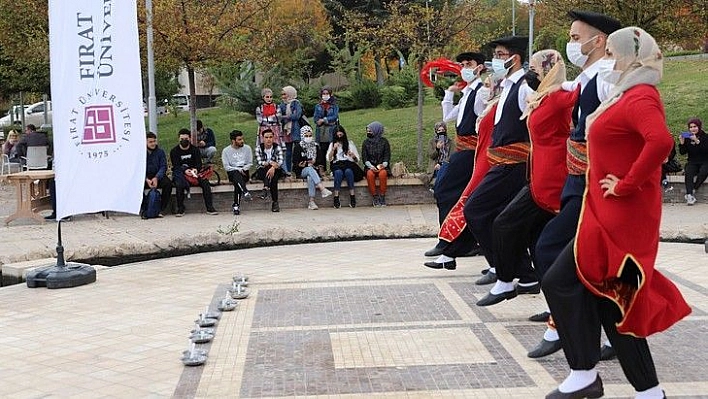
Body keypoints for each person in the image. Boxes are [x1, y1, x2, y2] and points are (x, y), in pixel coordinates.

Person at [541, 27, 691, 399]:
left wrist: (626, 183)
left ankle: (587, 373)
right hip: (602, 212)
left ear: (630, 56)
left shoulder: (640, 95)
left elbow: (661, 141)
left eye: (611, 52)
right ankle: (640, 389)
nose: (607, 58)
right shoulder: (625, 92)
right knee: (610, 297)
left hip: (621, 217)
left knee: (574, 283)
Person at [530, 10, 622, 360]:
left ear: (598, 41)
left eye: (574, 37)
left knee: (554, 249)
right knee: (571, 254)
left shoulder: (609, 78)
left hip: (593, 183)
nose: (570, 44)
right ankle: (593, 329)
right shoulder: (589, 76)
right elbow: (567, 87)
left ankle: (567, 327)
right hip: (576, 180)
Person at [475, 49, 576, 309]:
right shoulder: (542, 96)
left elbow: (586, 91)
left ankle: (506, 280)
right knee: (541, 244)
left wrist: (569, 83)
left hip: (551, 179)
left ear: (549, 70)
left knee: (504, 223)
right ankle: (554, 305)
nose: (532, 73)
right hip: (537, 174)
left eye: (536, 68)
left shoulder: (558, 96)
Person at [460, 36, 534, 287]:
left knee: (476, 209)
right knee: (501, 217)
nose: (496, 60)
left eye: (501, 55)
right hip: (500, 161)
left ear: (515, 58)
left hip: (514, 164)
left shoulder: (524, 86)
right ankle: (523, 274)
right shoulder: (507, 86)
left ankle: (503, 268)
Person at [424, 51, 488, 261]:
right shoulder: (468, 92)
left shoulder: (481, 92)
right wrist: (450, 93)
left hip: (471, 152)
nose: (464, 67)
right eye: (462, 64)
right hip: (462, 150)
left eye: (468, 63)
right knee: (452, 194)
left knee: (445, 190)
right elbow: (449, 117)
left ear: (479, 67)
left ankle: (451, 242)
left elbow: (484, 118)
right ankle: (456, 241)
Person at [170, 128, 218, 217]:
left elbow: (199, 164)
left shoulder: (195, 150)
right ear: (178, 139)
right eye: (182, 139)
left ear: (190, 139)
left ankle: (210, 207)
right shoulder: (174, 151)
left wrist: (195, 169)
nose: (184, 141)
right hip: (182, 174)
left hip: (195, 174)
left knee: (205, 183)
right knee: (179, 185)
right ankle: (180, 208)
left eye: (186, 139)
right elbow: (176, 166)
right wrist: (185, 171)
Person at [292, 125, 333, 210]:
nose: (308, 137)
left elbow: (320, 160)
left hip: (314, 170)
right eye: (306, 136)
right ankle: (322, 188)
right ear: (302, 136)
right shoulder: (298, 147)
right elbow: (295, 162)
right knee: (309, 169)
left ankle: (311, 201)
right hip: (302, 170)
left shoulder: (316, 146)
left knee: (310, 177)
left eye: (310, 135)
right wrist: (302, 164)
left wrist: (314, 162)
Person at [327, 125, 361, 208]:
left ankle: (352, 196)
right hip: (337, 165)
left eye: (341, 135)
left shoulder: (349, 144)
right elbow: (329, 159)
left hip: (347, 164)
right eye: (337, 135)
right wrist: (333, 149)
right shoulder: (332, 144)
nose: (339, 137)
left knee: (348, 172)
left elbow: (357, 160)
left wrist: (352, 155)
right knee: (338, 173)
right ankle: (336, 197)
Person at [140, 132, 172, 218]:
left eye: (154, 141)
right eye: (150, 142)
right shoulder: (140, 153)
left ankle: (161, 209)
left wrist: (156, 178)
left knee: (168, 184)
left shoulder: (160, 152)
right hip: (144, 177)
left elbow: (163, 166)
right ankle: (144, 209)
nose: (153, 143)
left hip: (158, 176)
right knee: (136, 186)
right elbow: (138, 169)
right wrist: (146, 179)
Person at [222, 130, 253, 215]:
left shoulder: (247, 148)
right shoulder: (226, 151)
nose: (242, 141)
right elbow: (226, 167)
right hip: (232, 172)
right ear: (233, 141)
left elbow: (250, 163)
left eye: (242, 139)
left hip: (244, 171)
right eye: (239, 139)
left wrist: (243, 169)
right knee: (236, 174)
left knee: (237, 182)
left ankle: (236, 205)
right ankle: (245, 192)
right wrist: (238, 169)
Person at [678, 117, 708, 205]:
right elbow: (682, 152)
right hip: (692, 161)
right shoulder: (687, 138)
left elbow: (706, 150)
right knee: (689, 172)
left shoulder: (705, 137)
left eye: (695, 126)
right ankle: (690, 195)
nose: (693, 129)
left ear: (699, 127)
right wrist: (682, 143)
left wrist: (697, 141)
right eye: (690, 127)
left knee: (703, 172)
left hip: (705, 161)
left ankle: (693, 189)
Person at [361, 121, 391, 207]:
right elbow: (365, 158)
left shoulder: (384, 142)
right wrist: (370, 166)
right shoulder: (365, 142)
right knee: (370, 174)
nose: (368, 133)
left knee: (383, 174)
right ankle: (374, 196)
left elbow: (387, 156)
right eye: (367, 131)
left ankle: (382, 196)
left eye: (370, 131)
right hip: (370, 166)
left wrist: (382, 165)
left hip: (382, 166)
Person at [254, 129, 284, 212]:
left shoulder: (277, 147)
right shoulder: (258, 148)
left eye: (270, 137)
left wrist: (273, 167)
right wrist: (271, 164)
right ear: (262, 138)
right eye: (266, 137)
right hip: (262, 171)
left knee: (274, 177)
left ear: (273, 138)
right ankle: (275, 202)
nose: (268, 139)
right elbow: (260, 162)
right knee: (271, 174)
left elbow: (280, 162)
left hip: (276, 170)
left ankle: (265, 188)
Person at [313, 86, 339, 176]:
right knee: (322, 150)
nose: (325, 95)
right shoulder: (318, 106)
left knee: (332, 149)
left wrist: (324, 120)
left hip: (331, 129)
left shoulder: (334, 106)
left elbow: (335, 117)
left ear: (330, 94)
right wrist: (318, 121)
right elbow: (315, 118)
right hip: (321, 131)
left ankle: (333, 169)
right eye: (323, 94)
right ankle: (322, 169)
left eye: (327, 93)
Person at [279, 85, 304, 177]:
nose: (283, 96)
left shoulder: (296, 103)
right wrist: (288, 117)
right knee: (288, 152)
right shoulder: (282, 104)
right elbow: (279, 117)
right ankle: (288, 170)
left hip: (295, 129)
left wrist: (286, 117)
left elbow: (297, 115)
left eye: (284, 94)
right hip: (286, 130)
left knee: (297, 150)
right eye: (282, 94)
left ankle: (298, 169)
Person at [426, 122, 452, 192]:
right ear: (436, 131)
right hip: (435, 166)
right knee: (440, 172)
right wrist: (437, 148)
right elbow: (431, 155)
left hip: (446, 165)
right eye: (439, 130)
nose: (441, 132)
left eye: (443, 130)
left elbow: (451, 155)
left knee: (443, 170)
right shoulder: (432, 141)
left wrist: (441, 164)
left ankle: (435, 188)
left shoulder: (450, 142)